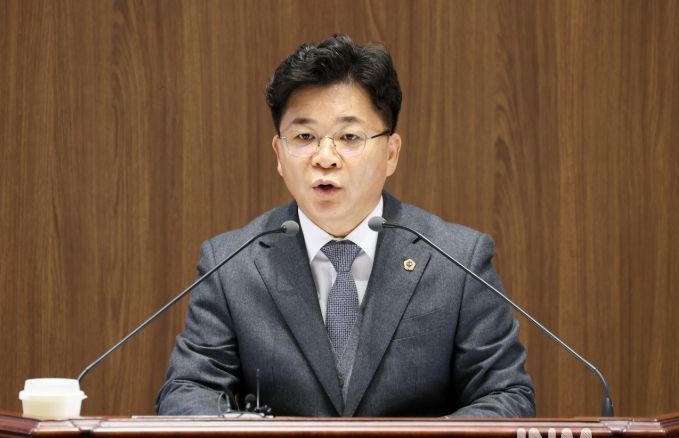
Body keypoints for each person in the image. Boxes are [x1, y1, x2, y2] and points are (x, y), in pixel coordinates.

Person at [156, 34, 535, 417]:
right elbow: (188, 391)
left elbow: (506, 396)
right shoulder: (231, 265)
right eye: (304, 137)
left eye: (349, 137)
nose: (325, 157)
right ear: (279, 154)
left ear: (391, 153)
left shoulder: (457, 260)